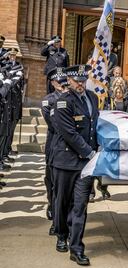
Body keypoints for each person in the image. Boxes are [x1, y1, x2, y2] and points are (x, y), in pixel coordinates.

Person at [52, 64, 98, 266]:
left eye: (83, 80)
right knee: (62, 203)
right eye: (77, 81)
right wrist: (89, 152)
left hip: (85, 165)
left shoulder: (93, 98)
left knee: (80, 206)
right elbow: (69, 133)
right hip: (66, 161)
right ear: (68, 81)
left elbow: (94, 127)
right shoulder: (63, 103)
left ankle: (77, 247)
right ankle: (62, 234)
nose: (80, 84)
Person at [41, 67, 69, 235]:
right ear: (52, 83)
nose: (60, 84)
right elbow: (53, 124)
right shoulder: (48, 100)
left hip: (69, 146)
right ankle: (52, 206)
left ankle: (60, 217)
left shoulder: (71, 97)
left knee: (62, 185)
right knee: (51, 181)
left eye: (62, 80)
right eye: (57, 81)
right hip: (54, 144)